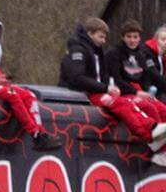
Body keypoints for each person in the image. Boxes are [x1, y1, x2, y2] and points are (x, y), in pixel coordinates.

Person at [60, 17, 166, 165]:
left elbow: (106, 75)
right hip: (87, 93)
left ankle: (159, 142)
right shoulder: (82, 51)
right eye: (101, 36)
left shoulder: (98, 51)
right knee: (125, 104)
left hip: (104, 90)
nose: (104, 41)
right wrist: (107, 88)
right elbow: (78, 77)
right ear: (90, 34)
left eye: (135, 37)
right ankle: (150, 136)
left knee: (156, 107)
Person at [0, 12, 62, 152]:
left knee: (29, 95)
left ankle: (40, 132)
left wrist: (0, 79)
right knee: (12, 94)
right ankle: (34, 134)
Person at [105, 20, 166, 127]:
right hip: (122, 92)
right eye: (129, 37)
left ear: (139, 38)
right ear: (123, 37)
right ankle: (154, 136)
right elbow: (117, 79)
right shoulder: (114, 53)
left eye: (135, 37)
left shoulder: (141, 55)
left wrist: (148, 91)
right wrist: (137, 92)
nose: (132, 40)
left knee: (163, 109)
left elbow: (145, 79)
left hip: (139, 91)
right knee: (150, 108)